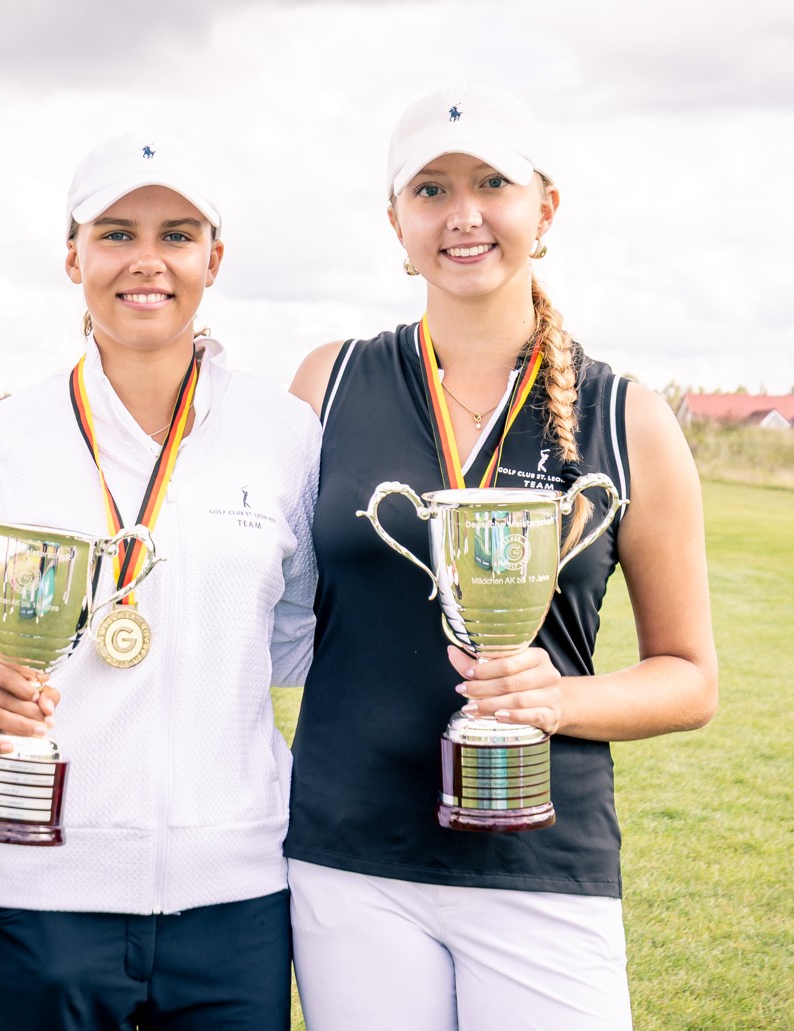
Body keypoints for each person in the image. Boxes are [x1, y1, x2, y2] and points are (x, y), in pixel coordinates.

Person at [283, 84, 719, 1029]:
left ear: (544, 207)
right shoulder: (328, 383)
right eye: (430, 191)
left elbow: (690, 679)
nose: (463, 214)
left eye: (491, 183)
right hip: (349, 857)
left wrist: (552, 697)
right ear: (396, 221)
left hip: (542, 864)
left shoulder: (627, 415)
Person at [0, 133, 320, 1031]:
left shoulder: (285, 434)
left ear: (214, 258)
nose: (147, 261)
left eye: (177, 235)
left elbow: (298, 641)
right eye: (115, 233)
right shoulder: (3, 439)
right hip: (47, 889)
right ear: (73, 255)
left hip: (241, 893)